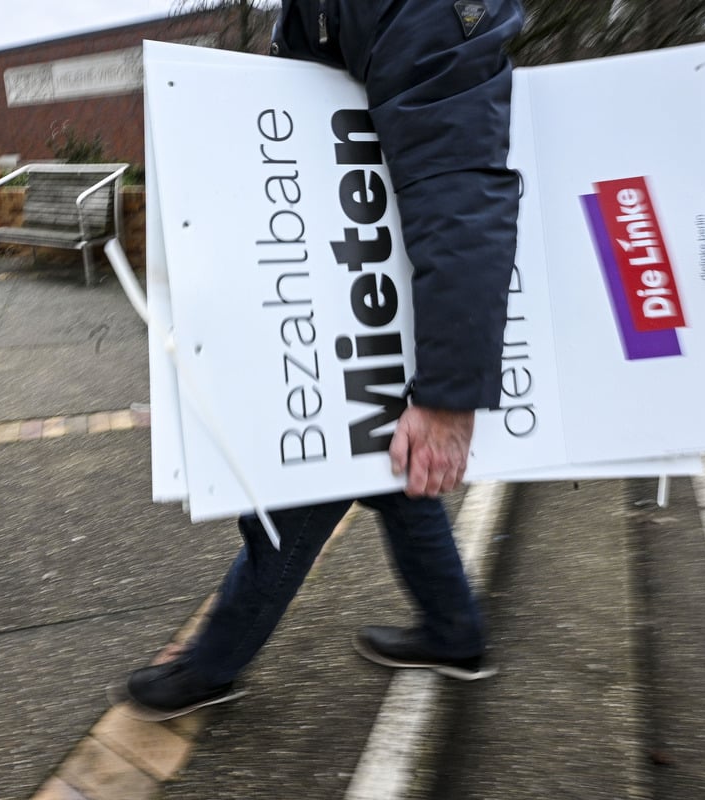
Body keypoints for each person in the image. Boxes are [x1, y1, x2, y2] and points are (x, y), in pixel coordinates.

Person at [113, 0, 525, 721]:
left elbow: (458, 190)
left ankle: (213, 664)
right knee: (392, 471)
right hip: (369, 293)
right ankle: (455, 631)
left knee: (305, 486)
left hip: (381, 301)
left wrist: (448, 396)